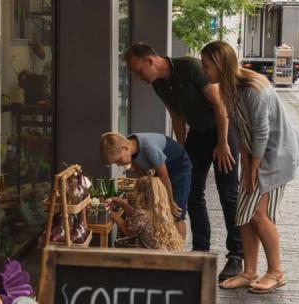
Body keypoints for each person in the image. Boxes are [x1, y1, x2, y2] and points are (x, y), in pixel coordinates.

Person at [125, 43, 242, 282]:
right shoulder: (159, 85)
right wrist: (182, 149)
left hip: (222, 131)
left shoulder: (189, 68)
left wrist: (222, 143)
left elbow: (220, 105)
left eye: (138, 71)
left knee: (228, 194)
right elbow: (176, 116)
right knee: (192, 192)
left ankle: (236, 256)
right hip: (197, 135)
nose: (138, 78)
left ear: (150, 61)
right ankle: (201, 249)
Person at [200, 41, 299, 294]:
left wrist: (254, 170)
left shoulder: (252, 88)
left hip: (277, 156)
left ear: (219, 63)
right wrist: (245, 167)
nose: (204, 71)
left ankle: (276, 272)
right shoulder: (226, 89)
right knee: (243, 214)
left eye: (206, 65)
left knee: (259, 215)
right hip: (258, 156)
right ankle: (249, 272)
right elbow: (238, 129)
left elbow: (261, 132)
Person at [100, 131, 192, 238]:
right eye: (116, 163)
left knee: (176, 214)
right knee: (156, 208)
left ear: (124, 148)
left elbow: (165, 178)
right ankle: (163, 243)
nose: (119, 165)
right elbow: (144, 178)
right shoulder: (131, 148)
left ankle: (178, 251)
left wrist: (170, 201)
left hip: (179, 168)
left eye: (118, 160)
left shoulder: (149, 148)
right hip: (161, 170)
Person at [108, 173, 184, 252]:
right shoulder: (162, 212)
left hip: (152, 260)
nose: (134, 193)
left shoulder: (142, 216)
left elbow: (128, 231)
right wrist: (121, 203)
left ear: (142, 195)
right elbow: (136, 215)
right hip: (167, 257)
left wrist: (113, 215)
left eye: (136, 191)